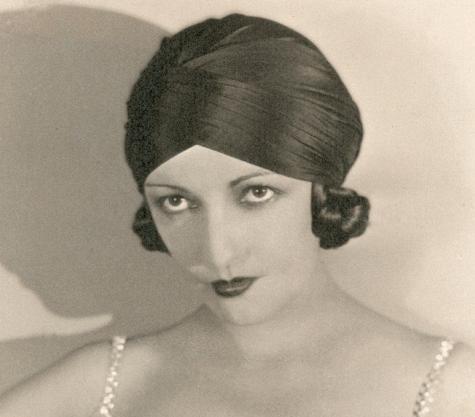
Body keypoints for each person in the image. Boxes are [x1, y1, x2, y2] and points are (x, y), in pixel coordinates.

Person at [0, 12, 474, 417]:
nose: (216, 250)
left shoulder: (452, 390)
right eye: (176, 201)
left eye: (256, 194)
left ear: (321, 191)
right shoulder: (100, 385)